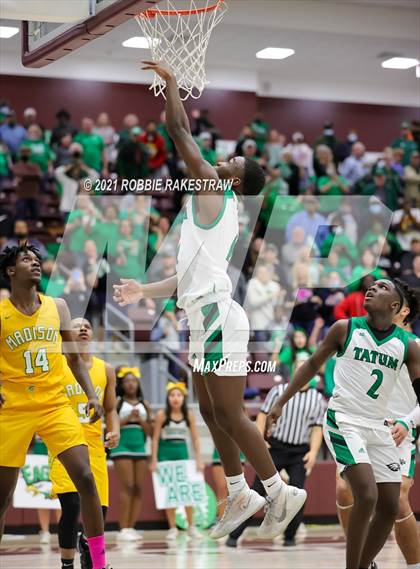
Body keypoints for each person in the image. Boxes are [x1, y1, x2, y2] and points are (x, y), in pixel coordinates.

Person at [114, 59, 307, 541]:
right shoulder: (213, 203)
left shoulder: (214, 190)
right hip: (200, 314)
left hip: (220, 315)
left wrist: (172, 85)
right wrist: (144, 290)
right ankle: (239, 491)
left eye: (233, 163)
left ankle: (280, 491)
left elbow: (179, 129)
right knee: (210, 412)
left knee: (231, 413)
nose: (224, 161)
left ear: (235, 180)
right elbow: (184, 280)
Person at [265, 278, 420, 569]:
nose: (373, 288)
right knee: (366, 493)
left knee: (390, 503)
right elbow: (311, 365)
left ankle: (364, 564)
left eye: (383, 287)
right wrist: (280, 401)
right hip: (344, 420)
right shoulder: (345, 328)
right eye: (372, 286)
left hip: (379, 426)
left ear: (396, 306)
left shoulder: (408, 346)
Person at [0, 245, 109, 569]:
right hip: (14, 407)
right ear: (10, 271)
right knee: (3, 497)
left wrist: (91, 394)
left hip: (54, 403)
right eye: (25, 259)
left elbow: (74, 358)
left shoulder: (58, 307)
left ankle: (98, 562)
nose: (35, 263)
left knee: (86, 478)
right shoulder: (1, 312)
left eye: (37, 259)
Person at [336, 297, 420, 569]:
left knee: (398, 501)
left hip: (399, 430)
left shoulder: (414, 346)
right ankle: (362, 558)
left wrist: (408, 422)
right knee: (343, 491)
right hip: (362, 425)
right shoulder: (362, 337)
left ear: (403, 310)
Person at [227, 355, 325, 548]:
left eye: (305, 367)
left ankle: (290, 538)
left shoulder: (317, 399)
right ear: (293, 370)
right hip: (275, 448)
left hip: (299, 452)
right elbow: (263, 415)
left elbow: (316, 428)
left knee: (298, 494)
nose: (301, 369)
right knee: (257, 492)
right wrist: (261, 440)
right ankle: (234, 535)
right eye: (298, 366)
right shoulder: (278, 391)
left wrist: (313, 452)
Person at [49, 317, 119, 569]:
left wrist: (115, 430)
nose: (82, 329)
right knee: (71, 504)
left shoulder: (106, 369)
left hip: (94, 445)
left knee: (99, 511)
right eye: (76, 325)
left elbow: (111, 409)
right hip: (65, 440)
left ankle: (92, 561)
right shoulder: (58, 365)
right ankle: (66, 565)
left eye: (87, 326)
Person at [150, 382, 203, 540]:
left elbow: (195, 438)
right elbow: (155, 439)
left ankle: (191, 526)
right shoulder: (162, 415)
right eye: (172, 395)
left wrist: (199, 459)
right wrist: (153, 459)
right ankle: (172, 527)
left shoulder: (189, 415)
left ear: (183, 398)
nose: (175, 398)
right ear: (168, 398)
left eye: (178, 395)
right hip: (165, 453)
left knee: (186, 491)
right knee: (169, 492)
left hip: (182, 453)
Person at [109, 367, 153, 542]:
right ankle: (123, 527)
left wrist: (140, 419)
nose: (130, 383)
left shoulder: (145, 404)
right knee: (127, 485)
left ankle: (132, 526)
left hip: (140, 448)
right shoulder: (117, 402)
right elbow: (111, 425)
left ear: (138, 384)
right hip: (122, 447)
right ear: (122, 383)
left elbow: (150, 431)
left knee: (137, 487)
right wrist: (127, 419)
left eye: (133, 380)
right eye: (127, 380)